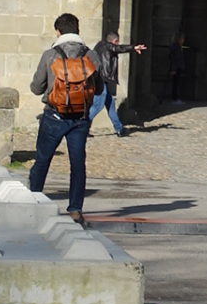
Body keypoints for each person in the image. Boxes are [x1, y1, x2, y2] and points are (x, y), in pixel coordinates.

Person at [27, 15, 101, 217]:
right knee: (77, 164)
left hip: (54, 115)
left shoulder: (50, 55)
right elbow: (99, 88)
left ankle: (34, 201)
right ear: (78, 30)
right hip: (80, 117)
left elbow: (36, 88)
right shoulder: (91, 56)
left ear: (58, 31)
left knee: (43, 159)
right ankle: (75, 209)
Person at [90, 30, 147, 136]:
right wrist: (133, 48)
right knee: (97, 105)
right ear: (114, 41)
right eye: (117, 42)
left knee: (110, 105)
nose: (118, 44)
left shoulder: (100, 45)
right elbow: (118, 48)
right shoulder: (108, 46)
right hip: (102, 80)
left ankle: (119, 128)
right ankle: (81, 127)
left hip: (100, 79)